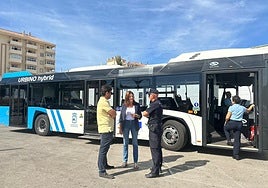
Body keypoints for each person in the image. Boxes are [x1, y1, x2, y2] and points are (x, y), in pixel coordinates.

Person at [224, 95, 255, 160]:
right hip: (239, 124)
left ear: (233, 101)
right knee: (237, 139)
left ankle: (229, 140)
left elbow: (227, 117)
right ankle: (236, 155)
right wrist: (251, 106)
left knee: (225, 128)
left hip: (232, 123)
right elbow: (248, 111)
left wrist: (226, 122)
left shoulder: (231, 107)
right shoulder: (242, 107)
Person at [142, 88, 163, 178]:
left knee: (154, 149)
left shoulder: (154, 104)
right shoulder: (158, 103)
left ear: (153, 95)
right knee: (157, 148)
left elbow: (145, 113)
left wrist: (145, 112)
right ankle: (158, 167)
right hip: (157, 127)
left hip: (154, 128)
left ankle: (155, 171)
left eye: (149, 95)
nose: (149, 96)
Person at [97, 85, 116, 179]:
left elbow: (112, 113)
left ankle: (105, 165)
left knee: (105, 148)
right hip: (105, 129)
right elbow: (113, 113)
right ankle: (101, 171)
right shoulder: (103, 102)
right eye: (110, 92)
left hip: (107, 128)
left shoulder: (104, 101)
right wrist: (113, 113)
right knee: (103, 150)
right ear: (106, 93)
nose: (111, 94)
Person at [119, 91, 142, 169]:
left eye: (132, 96)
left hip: (134, 124)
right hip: (126, 125)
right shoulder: (124, 105)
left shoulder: (137, 105)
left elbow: (140, 116)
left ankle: (136, 162)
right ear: (127, 98)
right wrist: (120, 127)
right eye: (130, 97)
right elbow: (121, 117)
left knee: (135, 143)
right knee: (125, 143)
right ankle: (125, 161)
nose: (131, 98)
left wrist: (136, 115)